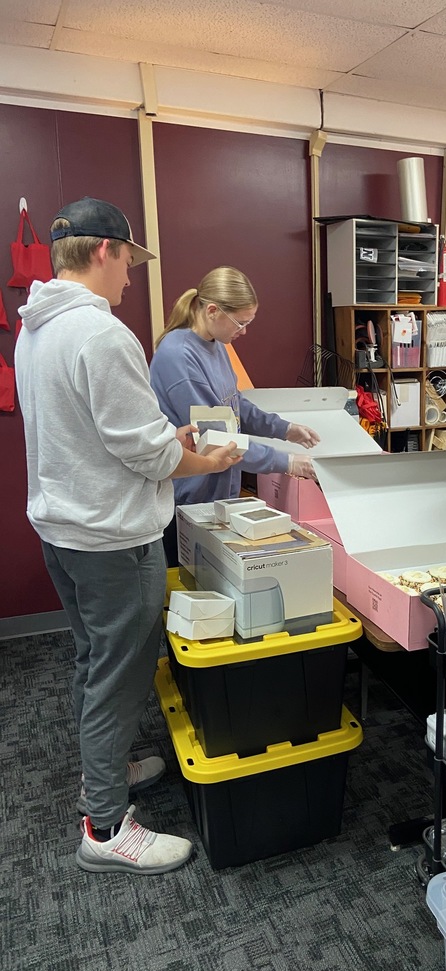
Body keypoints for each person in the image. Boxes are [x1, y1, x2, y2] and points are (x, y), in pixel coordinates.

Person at [14, 196, 244, 875]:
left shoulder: (35, 327)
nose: (130, 278)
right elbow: (151, 457)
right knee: (120, 676)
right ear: (104, 251)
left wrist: (165, 437)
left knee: (94, 661)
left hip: (63, 530)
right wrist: (207, 458)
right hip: (112, 540)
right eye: (128, 263)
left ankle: (102, 773)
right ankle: (107, 826)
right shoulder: (102, 333)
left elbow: (95, 431)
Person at [149, 266, 320, 565]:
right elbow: (217, 439)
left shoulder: (216, 344)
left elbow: (234, 403)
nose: (244, 331)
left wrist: (284, 429)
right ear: (212, 311)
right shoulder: (179, 356)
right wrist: (288, 461)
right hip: (189, 499)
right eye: (241, 323)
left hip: (218, 493)